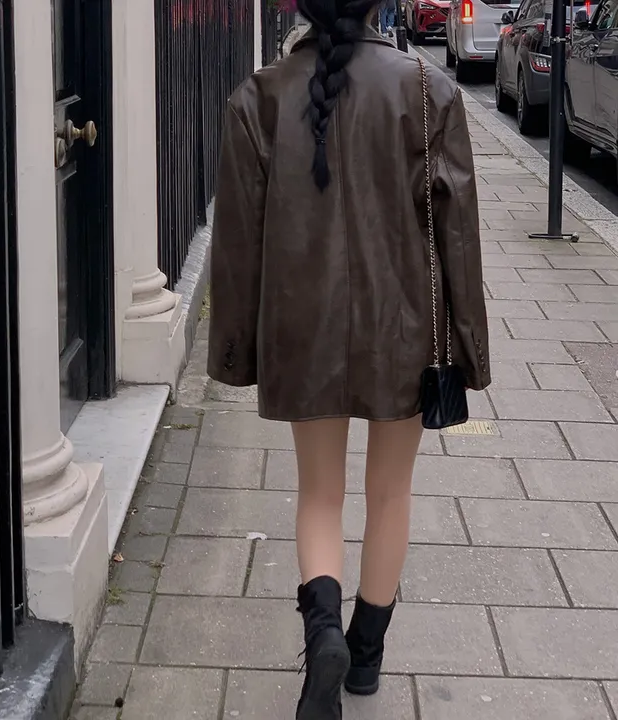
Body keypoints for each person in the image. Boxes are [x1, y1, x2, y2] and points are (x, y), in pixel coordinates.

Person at [207, 1, 490, 717]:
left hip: (304, 330)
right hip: (406, 332)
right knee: (390, 492)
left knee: (319, 495)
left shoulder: (258, 97)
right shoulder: (429, 91)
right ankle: (364, 657)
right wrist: (470, 349)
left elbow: (237, 247)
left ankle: (323, 636)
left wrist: (238, 352)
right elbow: (457, 236)